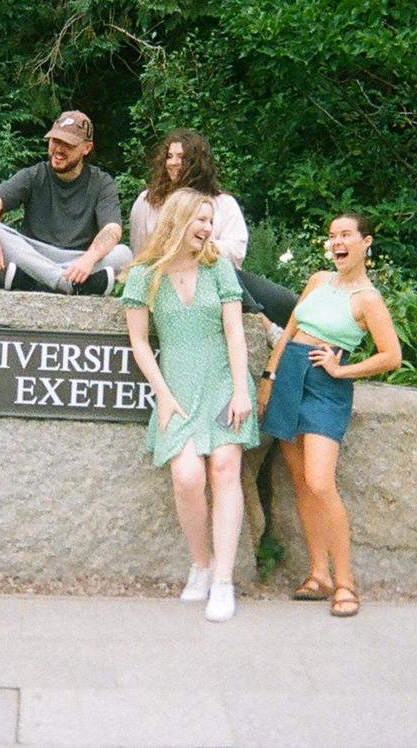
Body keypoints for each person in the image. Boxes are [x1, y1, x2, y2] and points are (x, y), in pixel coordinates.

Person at [122, 188, 260, 622]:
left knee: (223, 467)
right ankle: (200, 563)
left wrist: (241, 389)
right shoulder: (145, 275)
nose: (206, 228)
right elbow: (140, 343)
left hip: (222, 381)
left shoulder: (218, 267)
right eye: (200, 220)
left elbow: (235, 332)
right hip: (177, 387)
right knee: (186, 476)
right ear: (178, 220)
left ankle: (223, 580)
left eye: (209, 220)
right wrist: (163, 396)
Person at [257, 213, 402, 618]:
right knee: (302, 482)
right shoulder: (319, 281)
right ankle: (318, 574)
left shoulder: (368, 299)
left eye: (346, 235)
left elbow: (392, 356)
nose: (337, 242)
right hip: (288, 377)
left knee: (321, 482)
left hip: (325, 385)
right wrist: (269, 375)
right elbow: (290, 329)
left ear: (365, 242)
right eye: (332, 236)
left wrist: (342, 370)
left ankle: (346, 583)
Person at [129, 129, 297, 327]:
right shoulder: (148, 201)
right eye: (169, 156)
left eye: (181, 157)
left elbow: (236, 252)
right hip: (168, 277)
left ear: (196, 163)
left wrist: (203, 247)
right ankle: (261, 323)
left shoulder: (223, 202)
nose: (173, 162)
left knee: (291, 303)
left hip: (221, 277)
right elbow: (140, 251)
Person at [0, 110, 132, 294]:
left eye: (68, 144)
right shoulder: (35, 174)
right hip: (34, 255)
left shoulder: (102, 182)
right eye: (55, 140)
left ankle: (36, 282)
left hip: (78, 261)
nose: (59, 149)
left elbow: (112, 230)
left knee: (124, 255)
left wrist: (89, 259)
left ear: (87, 148)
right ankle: (66, 284)